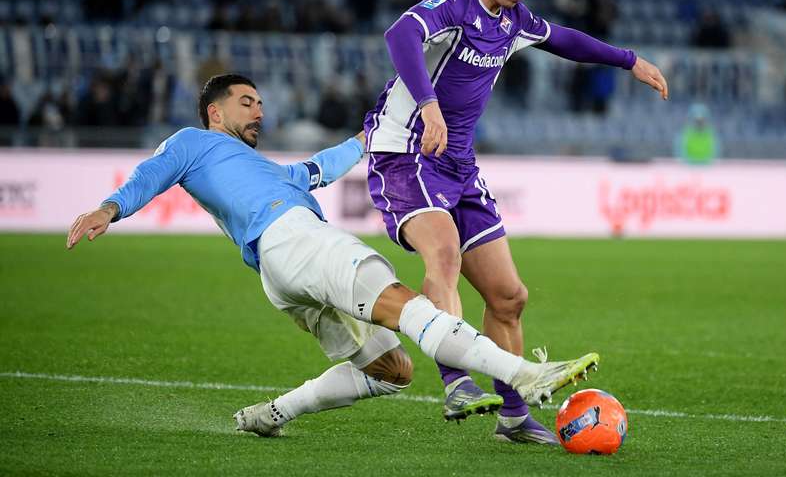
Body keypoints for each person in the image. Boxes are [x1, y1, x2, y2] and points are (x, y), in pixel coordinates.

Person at [65, 74, 598, 438]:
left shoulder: (269, 172)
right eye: (246, 102)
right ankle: (523, 375)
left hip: (280, 274)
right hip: (296, 239)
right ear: (215, 110)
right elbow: (152, 173)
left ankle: (273, 414)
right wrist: (110, 208)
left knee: (391, 370)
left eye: (260, 103)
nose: (259, 110)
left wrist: (368, 136)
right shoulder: (193, 143)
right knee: (403, 301)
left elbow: (318, 168)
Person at [363, 0, 667, 445]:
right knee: (444, 256)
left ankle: (512, 416)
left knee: (509, 296)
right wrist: (429, 105)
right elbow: (400, 34)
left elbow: (565, 39)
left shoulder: (514, 20)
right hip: (407, 151)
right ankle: (456, 381)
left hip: (459, 163)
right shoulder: (454, 1)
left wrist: (628, 60)